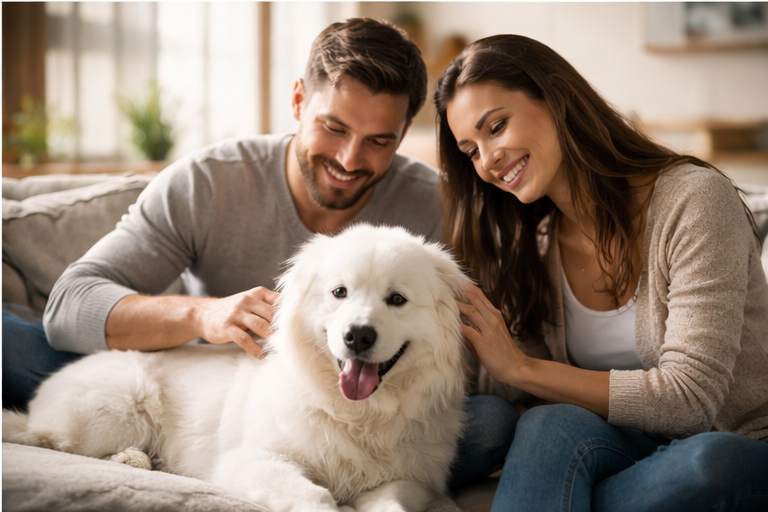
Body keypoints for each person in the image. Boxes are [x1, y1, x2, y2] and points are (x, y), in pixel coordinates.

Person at [2, 19, 516, 490]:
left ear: (403, 134)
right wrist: (204, 315)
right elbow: (68, 306)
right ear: (298, 100)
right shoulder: (209, 180)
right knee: (14, 341)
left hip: (362, 406)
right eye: (334, 127)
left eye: (379, 140)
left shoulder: (437, 208)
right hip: (197, 381)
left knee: (491, 423)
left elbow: (473, 337)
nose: (349, 158)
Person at [435, 34, 768, 511]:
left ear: (555, 97)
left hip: (734, 444)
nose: (487, 161)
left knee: (711, 462)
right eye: (470, 150)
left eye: (497, 127)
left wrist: (523, 367)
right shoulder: (537, 244)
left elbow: (690, 401)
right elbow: (511, 386)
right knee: (548, 423)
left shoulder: (695, 201)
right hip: (624, 445)